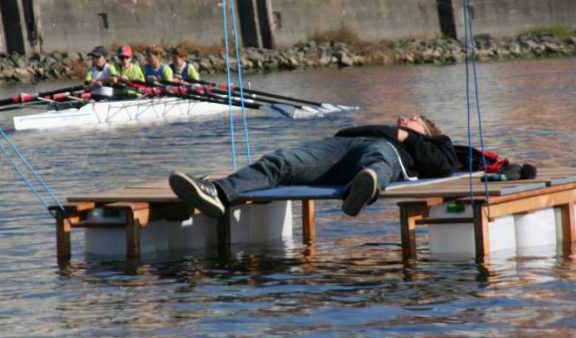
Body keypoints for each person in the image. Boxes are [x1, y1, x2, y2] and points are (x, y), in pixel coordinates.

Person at [169, 114, 461, 218]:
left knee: (378, 163)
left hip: (382, 152)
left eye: (411, 119)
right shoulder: (379, 130)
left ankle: (364, 187)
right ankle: (218, 193)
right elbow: (343, 135)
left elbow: (445, 166)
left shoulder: (434, 145)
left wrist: (404, 136)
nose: (402, 119)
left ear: (425, 131)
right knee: (281, 160)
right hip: (340, 149)